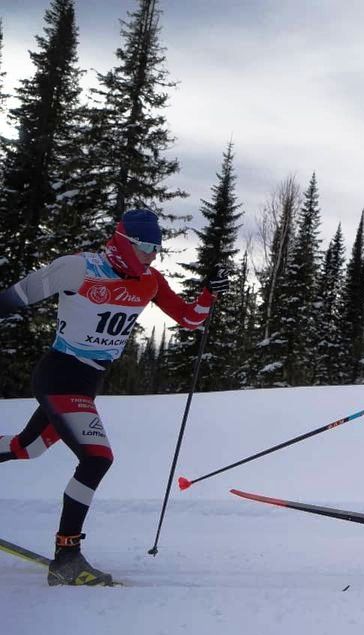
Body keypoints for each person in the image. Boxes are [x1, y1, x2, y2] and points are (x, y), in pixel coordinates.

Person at [0, 209, 228, 586]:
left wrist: (207, 294)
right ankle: (67, 557)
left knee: (29, 447)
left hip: (87, 383)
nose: (152, 255)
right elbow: (16, 296)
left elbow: (189, 320)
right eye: (144, 246)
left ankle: (67, 555)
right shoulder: (79, 268)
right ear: (123, 241)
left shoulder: (150, 282)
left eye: (156, 247)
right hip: (61, 375)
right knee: (97, 458)